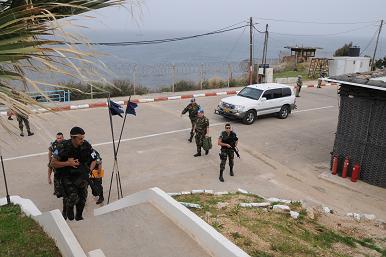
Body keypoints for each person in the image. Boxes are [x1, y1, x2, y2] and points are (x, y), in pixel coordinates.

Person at [51, 127, 93, 221]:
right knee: (73, 197)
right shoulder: (62, 146)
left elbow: (93, 158)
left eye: (83, 138)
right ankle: (68, 209)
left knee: (82, 199)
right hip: (67, 176)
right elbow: (52, 163)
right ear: (72, 138)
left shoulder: (86, 145)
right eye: (80, 138)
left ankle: (78, 216)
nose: (82, 140)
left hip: (81, 175)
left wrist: (90, 170)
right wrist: (68, 163)